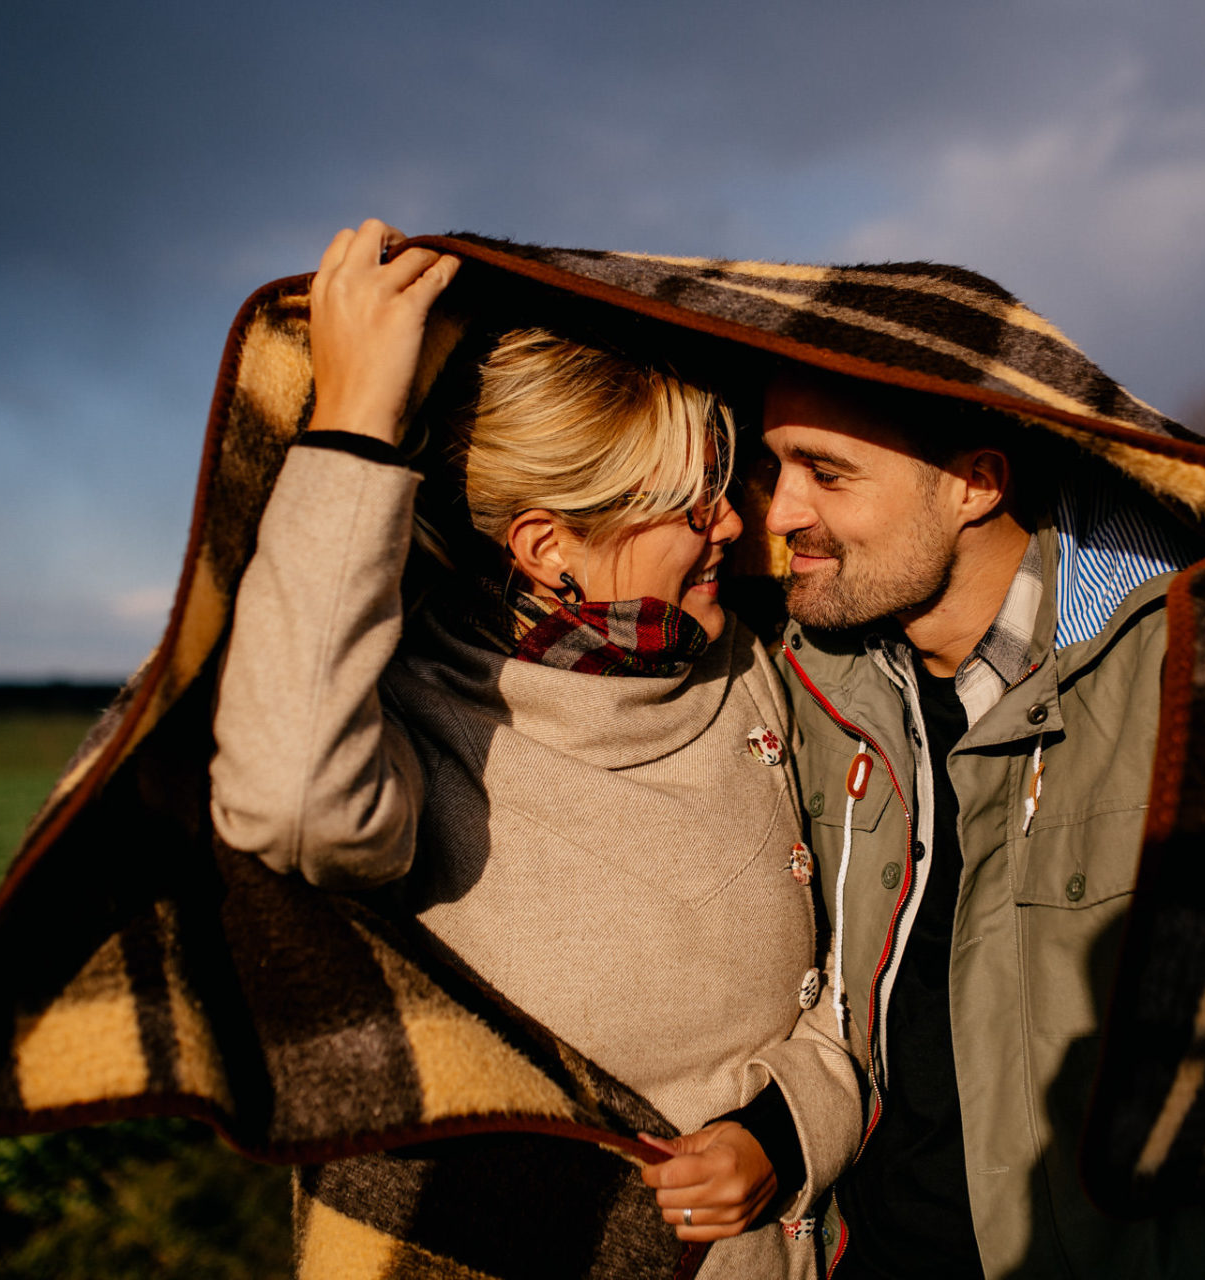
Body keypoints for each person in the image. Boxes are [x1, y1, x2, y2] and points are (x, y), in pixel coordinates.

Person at [207, 221, 858, 1278]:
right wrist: (353, 428)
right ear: (549, 547)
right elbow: (286, 799)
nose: (732, 526)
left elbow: (871, 942)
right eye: (687, 503)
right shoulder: (421, 717)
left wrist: (791, 1125)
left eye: (722, 482)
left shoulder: (757, 661)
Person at [759, 368, 1205, 1278]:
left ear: (978, 485)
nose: (780, 512)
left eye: (826, 474)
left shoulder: (1195, 680)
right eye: (776, 467)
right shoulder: (804, 676)